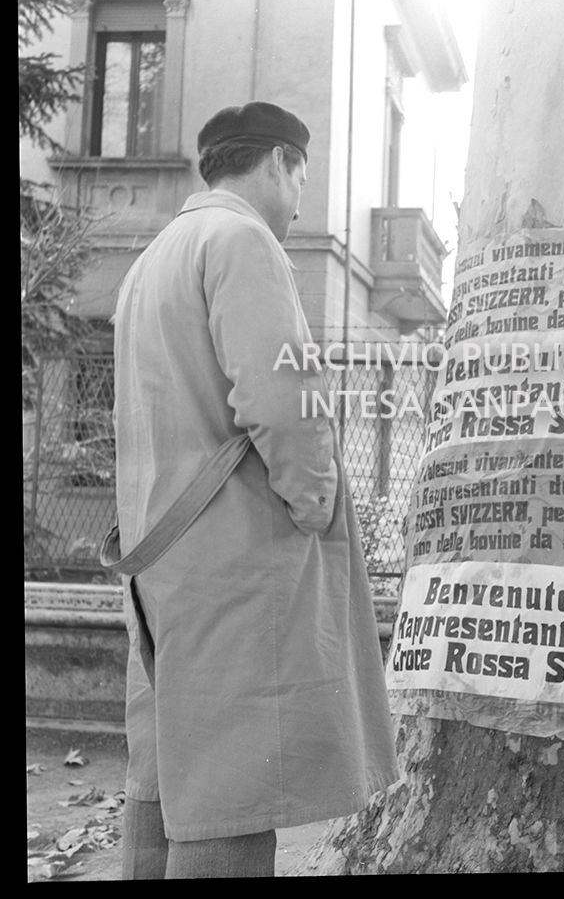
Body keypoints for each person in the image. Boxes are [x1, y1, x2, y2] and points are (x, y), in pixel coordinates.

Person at [111, 101, 399, 878]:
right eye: (301, 174)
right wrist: (316, 503)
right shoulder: (243, 240)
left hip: (162, 563)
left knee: (165, 784)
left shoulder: (156, 256)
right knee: (232, 797)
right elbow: (282, 396)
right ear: (279, 161)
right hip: (235, 562)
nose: (301, 194)